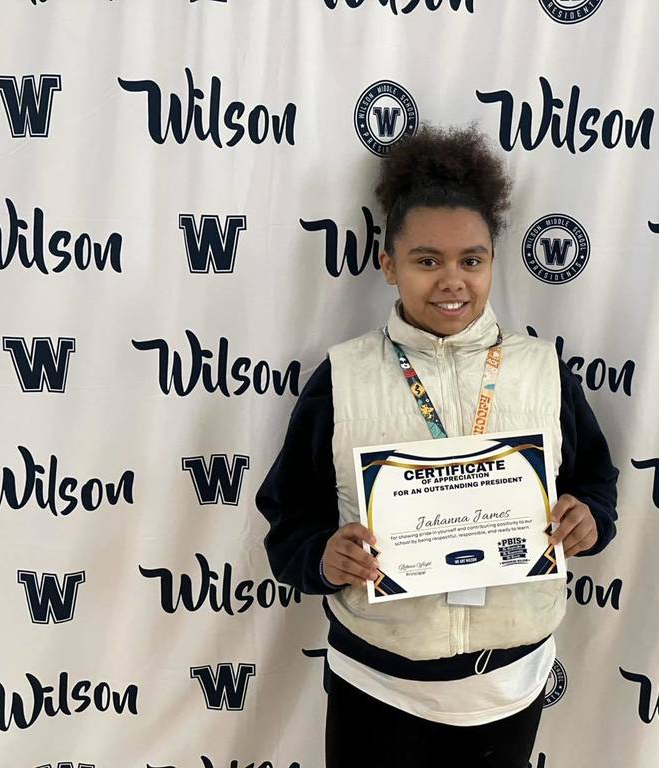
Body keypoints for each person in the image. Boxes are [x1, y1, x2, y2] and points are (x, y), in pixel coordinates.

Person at [255, 123, 619, 768]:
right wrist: (322, 557)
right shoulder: (342, 377)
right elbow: (290, 520)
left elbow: (594, 481)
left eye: (470, 260)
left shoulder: (542, 369)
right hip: (378, 684)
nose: (452, 280)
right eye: (427, 260)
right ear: (388, 265)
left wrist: (589, 517)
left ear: (492, 263)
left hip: (510, 684)